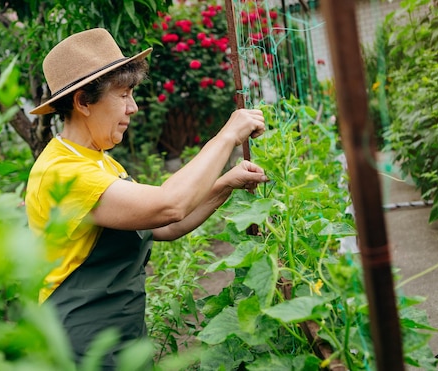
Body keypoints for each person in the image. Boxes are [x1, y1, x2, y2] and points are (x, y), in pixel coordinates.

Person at [25, 28, 268, 369]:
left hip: (121, 336)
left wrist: (226, 183)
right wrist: (226, 136)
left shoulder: (99, 161)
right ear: (82, 102)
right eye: (123, 95)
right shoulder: (63, 172)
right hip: (82, 347)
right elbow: (170, 203)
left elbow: (166, 224)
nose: (134, 107)